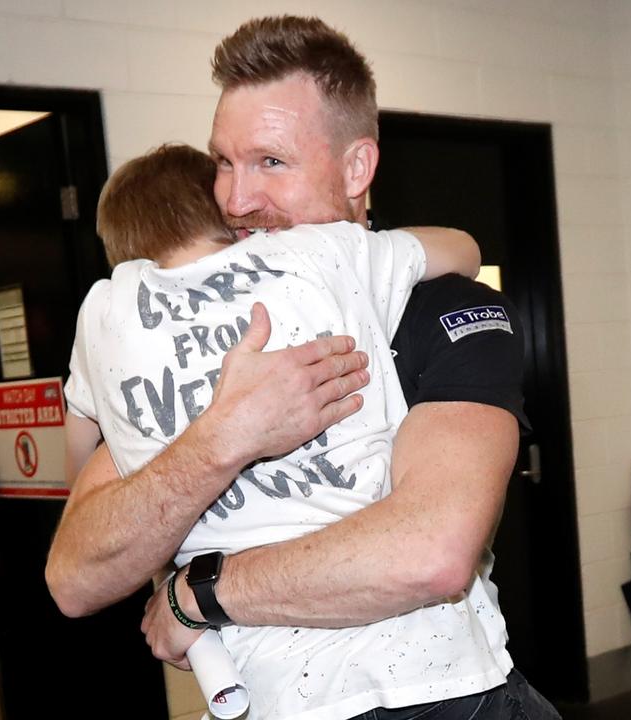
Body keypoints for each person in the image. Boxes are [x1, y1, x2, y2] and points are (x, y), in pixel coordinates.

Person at [47, 15, 557, 720]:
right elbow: (75, 574)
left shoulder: (444, 308)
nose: (235, 198)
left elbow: (431, 553)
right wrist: (225, 435)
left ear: (356, 169)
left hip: (435, 698)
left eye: (271, 163)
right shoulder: (202, 331)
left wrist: (200, 593)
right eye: (224, 162)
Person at [66, 143, 479, 694]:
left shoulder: (101, 311)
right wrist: (364, 247)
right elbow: (464, 251)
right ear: (227, 215)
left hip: (254, 659)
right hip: (400, 628)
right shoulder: (316, 252)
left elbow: (78, 466)